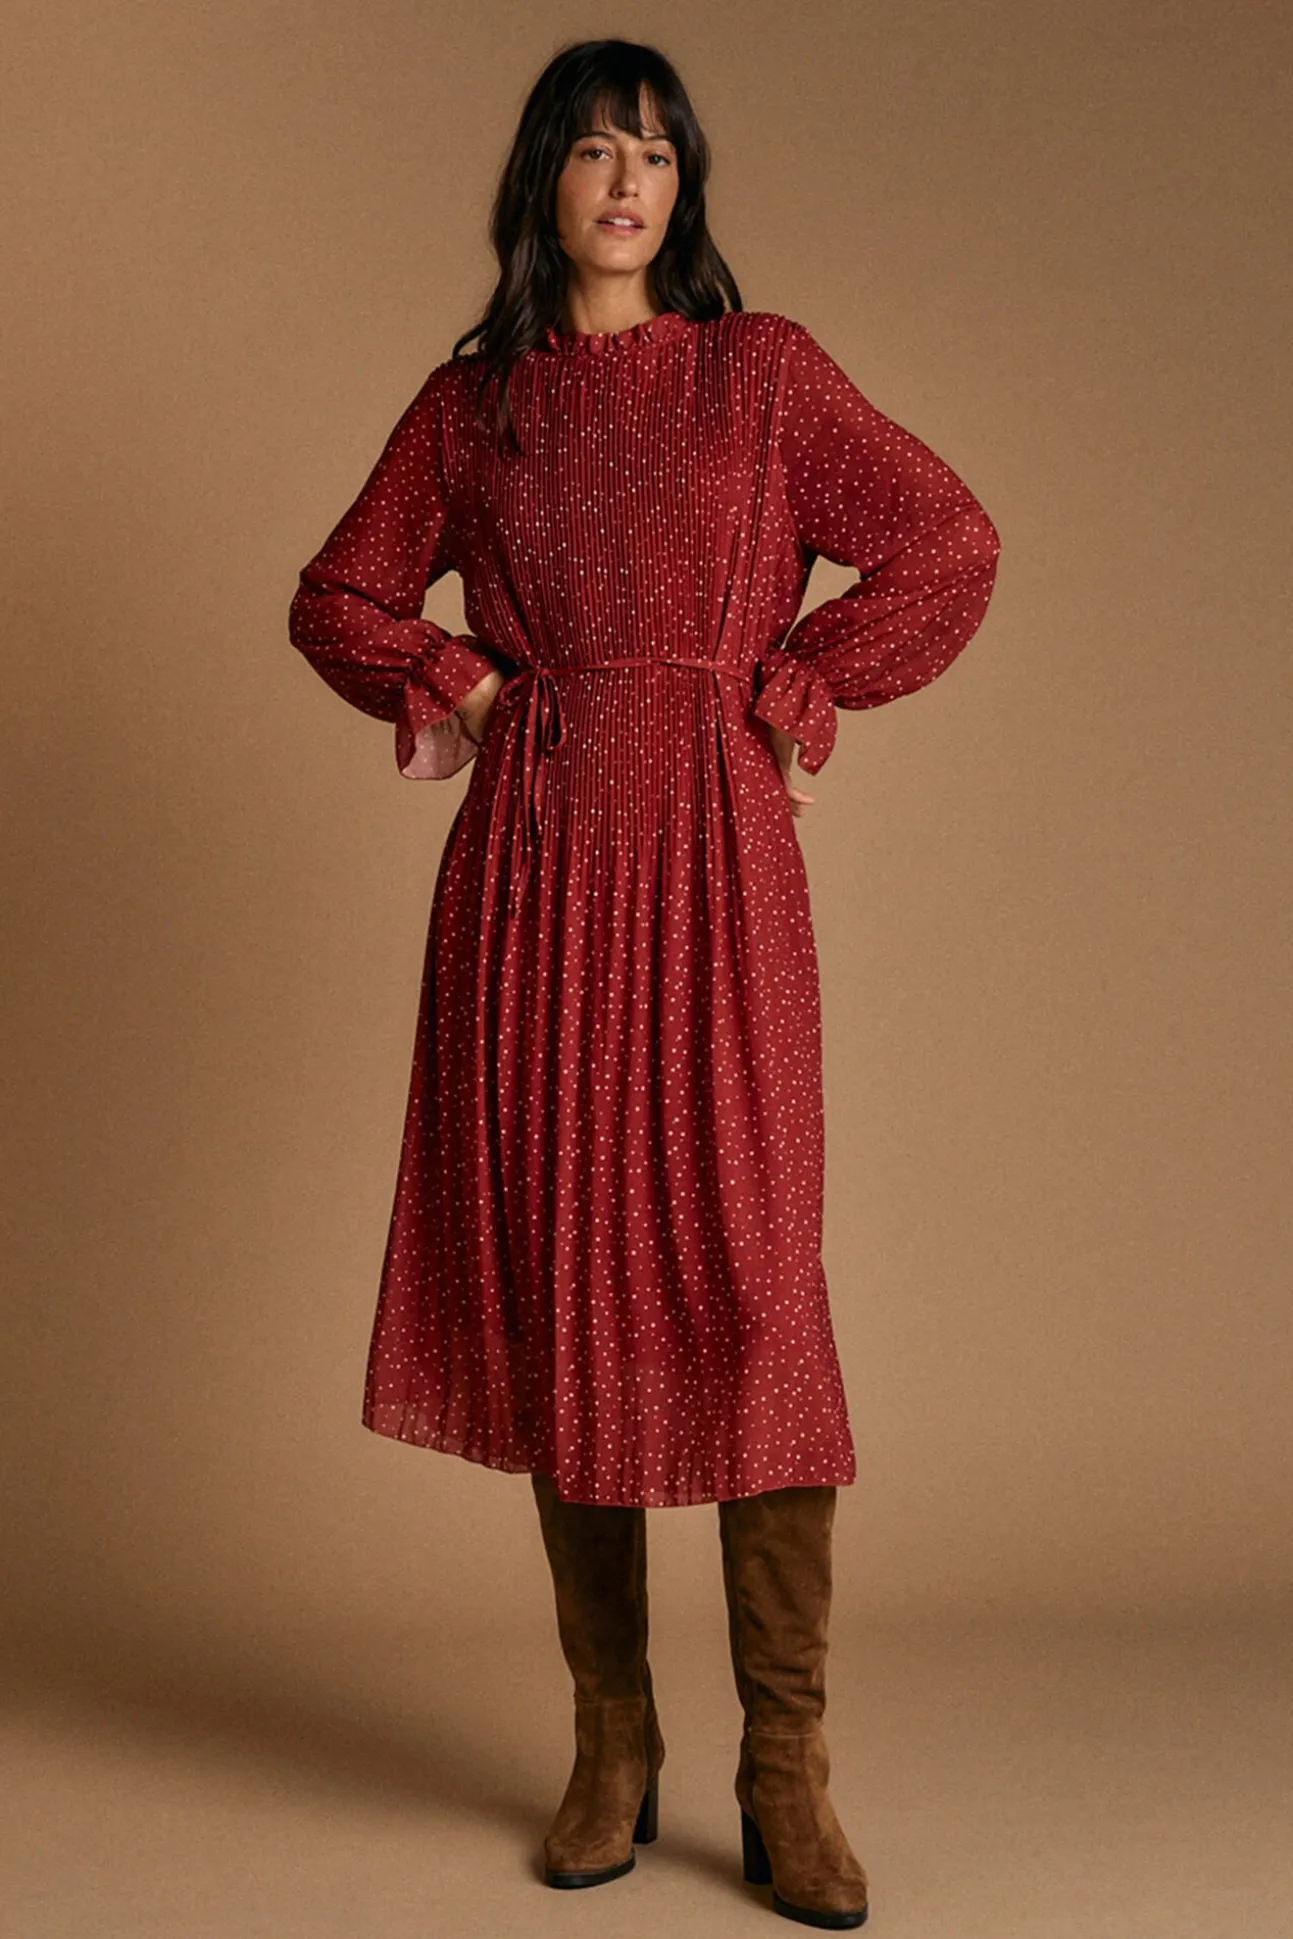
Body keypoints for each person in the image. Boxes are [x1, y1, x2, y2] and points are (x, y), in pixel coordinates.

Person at [287, 36, 999, 1929]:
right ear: (545, 178)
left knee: (753, 1278)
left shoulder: (762, 376)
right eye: (598, 150)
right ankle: (614, 1735)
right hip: (532, 882)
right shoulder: (476, 408)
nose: (628, 182)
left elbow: (948, 540)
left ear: (686, 190)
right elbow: (339, 595)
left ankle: (788, 1763)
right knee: (571, 1278)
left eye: (660, 156)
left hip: (716, 869)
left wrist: (801, 680)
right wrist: (456, 682)